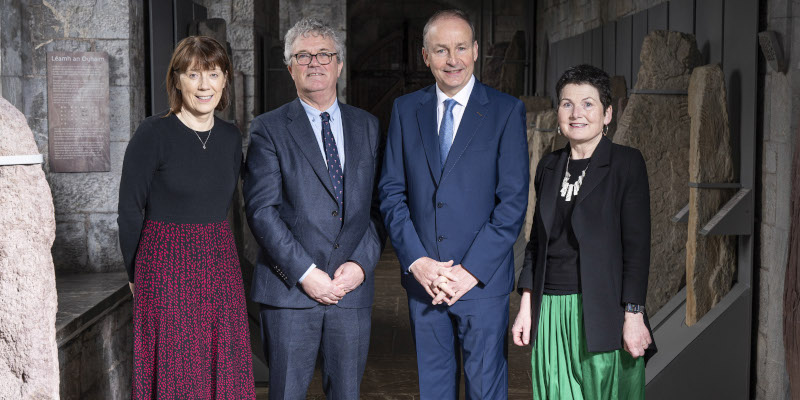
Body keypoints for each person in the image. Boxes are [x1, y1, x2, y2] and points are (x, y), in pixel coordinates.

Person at [378, 9, 529, 399]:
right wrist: (418, 262)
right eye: (441, 50)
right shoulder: (405, 110)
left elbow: (512, 203)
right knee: (434, 389)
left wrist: (469, 272)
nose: (452, 59)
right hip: (425, 281)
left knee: (485, 389)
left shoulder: (505, 110)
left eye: (461, 47)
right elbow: (392, 193)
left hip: (481, 283)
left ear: (476, 51)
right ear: (425, 55)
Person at [243, 17, 383, 400]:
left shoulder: (367, 126)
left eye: (324, 54)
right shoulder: (268, 129)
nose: (315, 63)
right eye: (303, 55)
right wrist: (306, 273)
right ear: (290, 68)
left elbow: (377, 207)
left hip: (351, 289)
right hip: (290, 292)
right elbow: (260, 211)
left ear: (339, 64)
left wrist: (360, 266)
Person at [117, 36, 254, 399]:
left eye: (213, 73)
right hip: (165, 266)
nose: (204, 85)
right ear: (177, 80)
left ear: (225, 79)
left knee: (225, 362)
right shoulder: (153, 134)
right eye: (193, 75)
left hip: (219, 261)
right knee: (176, 371)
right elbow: (129, 211)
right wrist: (135, 275)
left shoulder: (230, 137)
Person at [511, 64, 656, 399]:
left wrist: (633, 316)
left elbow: (637, 248)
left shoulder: (626, 164)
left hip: (603, 311)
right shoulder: (548, 166)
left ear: (607, 114)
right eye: (567, 104)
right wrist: (526, 307)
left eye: (588, 104)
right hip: (550, 311)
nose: (576, 113)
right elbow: (537, 243)